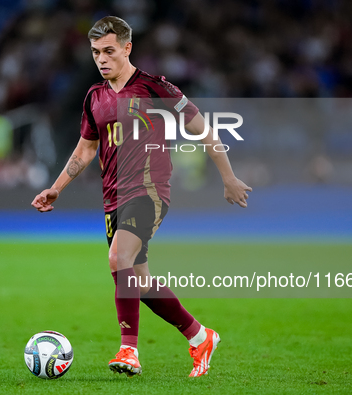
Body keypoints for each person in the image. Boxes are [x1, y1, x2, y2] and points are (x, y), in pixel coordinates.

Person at [31, 16, 252, 378]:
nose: (101, 59)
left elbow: (202, 128)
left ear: (127, 48)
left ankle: (128, 350)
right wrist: (57, 187)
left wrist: (228, 176)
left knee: (119, 258)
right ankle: (200, 336)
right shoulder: (94, 97)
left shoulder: (154, 88)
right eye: (95, 52)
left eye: (108, 51)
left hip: (150, 192)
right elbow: (86, 150)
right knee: (140, 282)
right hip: (113, 198)